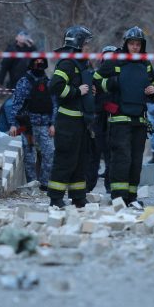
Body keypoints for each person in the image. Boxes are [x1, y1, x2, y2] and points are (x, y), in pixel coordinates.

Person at [93, 26, 154, 206]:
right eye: (132, 43)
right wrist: (112, 83)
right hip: (120, 120)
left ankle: (132, 197)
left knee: (136, 161)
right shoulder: (116, 61)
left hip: (139, 119)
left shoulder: (145, 64)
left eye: (138, 44)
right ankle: (118, 197)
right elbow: (96, 79)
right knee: (122, 159)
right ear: (126, 44)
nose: (135, 47)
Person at [47, 25, 95, 208]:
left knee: (79, 161)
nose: (89, 47)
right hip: (67, 122)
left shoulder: (82, 64)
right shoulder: (67, 63)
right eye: (86, 44)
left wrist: (90, 90)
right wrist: (77, 91)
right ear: (78, 44)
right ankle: (56, 198)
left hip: (80, 122)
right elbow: (55, 87)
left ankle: (78, 198)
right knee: (65, 160)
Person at [7, 57, 56, 191]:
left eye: (41, 62)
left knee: (50, 153)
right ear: (31, 64)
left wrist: (53, 124)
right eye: (36, 62)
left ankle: (45, 184)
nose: (39, 65)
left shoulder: (48, 82)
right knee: (30, 156)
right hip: (28, 126)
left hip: (45, 125)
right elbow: (16, 104)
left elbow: (54, 105)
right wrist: (13, 124)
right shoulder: (24, 82)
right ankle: (32, 184)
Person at [86, 46, 119, 193]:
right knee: (93, 154)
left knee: (111, 155)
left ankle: (110, 187)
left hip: (114, 119)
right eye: (106, 57)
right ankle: (87, 187)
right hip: (97, 119)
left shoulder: (119, 77)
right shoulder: (94, 75)